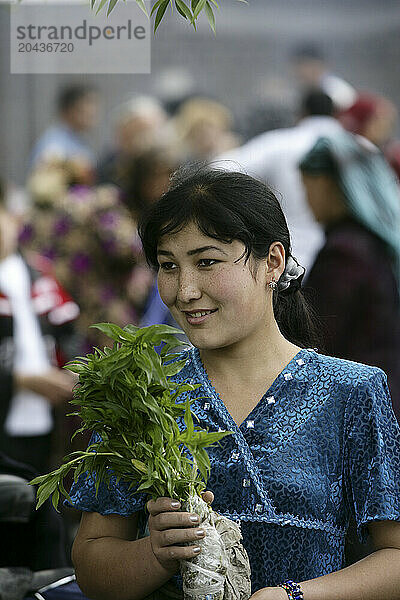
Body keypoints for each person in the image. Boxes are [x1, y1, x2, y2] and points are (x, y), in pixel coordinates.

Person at [69, 167, 400, 600]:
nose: (185, 290)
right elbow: (91, 563)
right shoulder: (142, 395)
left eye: (207, 262)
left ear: (273, 263)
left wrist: (293, 597)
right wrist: (156, 553)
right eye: (169, 266)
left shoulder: (350, 392)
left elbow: (394, 556)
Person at [300, 130, 400, 421]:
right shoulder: (371, 243)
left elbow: (317, 335)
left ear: (331, 185)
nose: (307, 199)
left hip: (361, 408)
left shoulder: (345, 253)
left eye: (308, 186)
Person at [216, 90, 343, 271]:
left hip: (292, 256)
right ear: (336, 113)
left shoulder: (278, 144)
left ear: (302, 113)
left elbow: (220, 167)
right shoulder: (361, 147)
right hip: (350, 255)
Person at [30, 84, 99, 175]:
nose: (93, 111)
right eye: (88, 103)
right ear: (68, 110)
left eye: (95, 104)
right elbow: (45, 172)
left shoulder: (79, 140)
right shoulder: (54, 141)